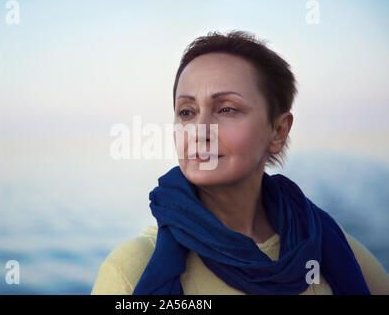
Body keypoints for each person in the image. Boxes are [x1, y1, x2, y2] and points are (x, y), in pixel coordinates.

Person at [91, 30, 389, 295]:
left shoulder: (330, 245)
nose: (199, 130)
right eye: (186, 112)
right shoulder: (130, 271)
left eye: (227, 109)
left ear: (278, 130)